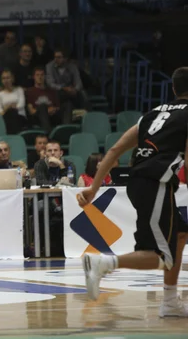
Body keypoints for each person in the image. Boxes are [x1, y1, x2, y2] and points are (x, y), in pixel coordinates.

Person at [77, 67, 188, 317]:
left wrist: (93, 189)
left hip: (137, 181)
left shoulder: (151, 114)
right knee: (161, 256)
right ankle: (104, 263)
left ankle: (170, 301)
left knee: (180, 234)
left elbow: (115, 150)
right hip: (155, 181)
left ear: (173, 89)